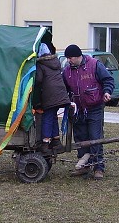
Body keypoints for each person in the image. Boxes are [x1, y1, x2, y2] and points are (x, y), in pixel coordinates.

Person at [62, 44, 114, 180]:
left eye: (70, 58)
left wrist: (107, 92)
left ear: (78, 56)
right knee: (80, 138)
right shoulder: (67, 71)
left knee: (95, 138)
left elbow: (108, 80)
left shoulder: (95, 65)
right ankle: (84, 166)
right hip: (78, 110)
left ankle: (98, 167)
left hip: (95, 108)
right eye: (67, 58)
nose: (68, 60)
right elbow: (64, 88)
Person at [33, 43, 69, 154]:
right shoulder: (55, 62)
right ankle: (56, 141)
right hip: (60, 94)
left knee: (47, 118)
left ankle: (45, 143)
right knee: (53, 116)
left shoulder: (41, 64)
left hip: (50, 95)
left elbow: (38, 80)